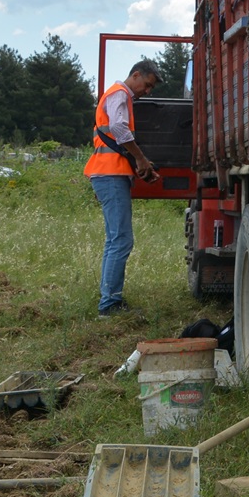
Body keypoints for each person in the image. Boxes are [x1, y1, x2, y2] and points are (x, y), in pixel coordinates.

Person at [83, 59, 162, 318]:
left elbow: (115, 140)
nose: (147, 92)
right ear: (136, 75)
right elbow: (118, 128)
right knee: (121, 240)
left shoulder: (117, 95)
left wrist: (141, 163)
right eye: (147, 85)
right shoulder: (119, 94)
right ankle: (109, 305)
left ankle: (110, 300)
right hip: (110, 175)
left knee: (116, 240)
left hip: (108, 173)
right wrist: (139, 158)